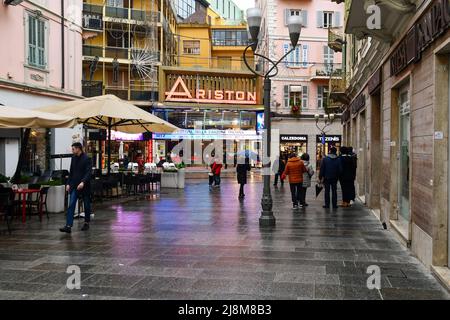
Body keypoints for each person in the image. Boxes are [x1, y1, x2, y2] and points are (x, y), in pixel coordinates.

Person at [60, 142, 92, 233]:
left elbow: (88, 172)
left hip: (84, 186)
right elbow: (71, 172)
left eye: (73, 148)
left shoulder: (87, 158)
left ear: (78, 148)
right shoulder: (73, 158)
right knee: (71, 204)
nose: (72, 150)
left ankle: (86, 223)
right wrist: (68, 183)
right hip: (74, 185)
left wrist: (83, 182)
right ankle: (68, 226)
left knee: (86, 205)